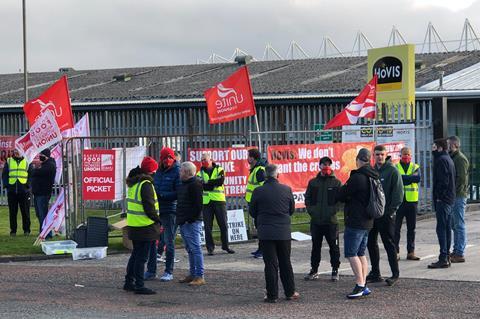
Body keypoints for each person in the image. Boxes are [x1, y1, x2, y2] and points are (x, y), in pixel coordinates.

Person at [249, 164, 299, 303]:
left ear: (265, 175)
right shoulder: (286, 189)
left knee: (270, 264)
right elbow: (291, 210)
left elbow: (252, 211)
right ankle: (290, 291)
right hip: (283, 232)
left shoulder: (258, 191)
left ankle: (272, 295)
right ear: (278, 175)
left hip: (266, 232)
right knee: (285, 262)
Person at [336, 148, 376, 299]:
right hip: (368, 220)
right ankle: (363, 284)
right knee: (361, 253)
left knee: (351, 253)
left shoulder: (358, 177)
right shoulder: (373, 175)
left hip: (356, 220)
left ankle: (359, 284)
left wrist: (343, 191)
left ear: (358, 160)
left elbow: (342, 194)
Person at [123, 156, 161, 295]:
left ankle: (129, 282)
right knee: (141, 258)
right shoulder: (146, 185)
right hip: (145, 226)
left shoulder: (134, 183)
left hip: (135, 225)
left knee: (135, 255)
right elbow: (149, 207)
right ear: (151, 171)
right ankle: (139, 285)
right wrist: (158, 220)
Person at [366, 145, 403, 286]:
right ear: (373, 156)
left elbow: (398, 194)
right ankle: (376, 272)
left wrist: (390, 212)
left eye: (382, 154)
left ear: (385, 155)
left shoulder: (392, 171)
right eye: (377, 154)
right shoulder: (371, 171)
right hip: (372, 215)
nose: (379, 157)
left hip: (386, 215)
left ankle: (395, 273)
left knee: (389, 243)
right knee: (371, 242)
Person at [145, 147, 181, 281]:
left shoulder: (177, 171)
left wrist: (163, 195)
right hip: (158, 210)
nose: (167, 160)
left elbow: (178, 193)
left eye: (170, 158)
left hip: (170, 210)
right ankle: (151, 270)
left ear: (173, 158)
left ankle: (168, 271)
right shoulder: (159, 171)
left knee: (169, 242)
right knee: (152, 241)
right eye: (165, 158)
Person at [304, 156, 341, 282]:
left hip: (331, 222)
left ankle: (335, 270)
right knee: (315, 247)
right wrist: (312, 211)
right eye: (323, 164)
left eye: (328, 164)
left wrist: (332, 211)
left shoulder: (336, 183)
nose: (326, 166)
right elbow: (307, 198)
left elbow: (340, 201)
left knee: (334, 247)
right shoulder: (313, 182)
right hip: (316, 222)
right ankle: (314, 270)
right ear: (319, 166)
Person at [197, 152, 235, 255]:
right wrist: (212, 183)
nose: (203, 161)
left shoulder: (219, 169)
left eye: (205, 159)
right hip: (206, 202)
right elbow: (201, 186)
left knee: (223, 225)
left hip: (219, 201)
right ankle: (210, 248)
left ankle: (226, 246)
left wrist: (207, 183)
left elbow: (220, 181)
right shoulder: (199, 173)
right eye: (202, 160)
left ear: (211, 160)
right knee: (208, 226)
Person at [176, 161, 205, 286]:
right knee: (190, 249)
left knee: (195, 248)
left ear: (187, 172)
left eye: (181, 171)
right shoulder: (185, 184)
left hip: (191, 222)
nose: (179, 172)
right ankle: (193, 274)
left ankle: (199, 275)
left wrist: (190, 219)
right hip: (184, 221)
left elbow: (198, 205)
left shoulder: (195, 185)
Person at [428, 138, 456, 269]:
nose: (432, 149)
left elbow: (443, 181)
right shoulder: (448, 159)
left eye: (434, 147)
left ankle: (443, 257)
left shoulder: (441, 160)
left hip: (443, 200)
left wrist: (439, 197)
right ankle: (446, 256)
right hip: (449, 199)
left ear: (439, 148)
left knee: (442, 228)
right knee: (446, 228)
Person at [394, 147, 421, 261]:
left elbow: (417, 178)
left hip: (411, 201)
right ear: (400, 155)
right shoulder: (395, 166)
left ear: (411, 155)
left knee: (411, 228)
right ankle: (395, 252)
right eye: (404, 154)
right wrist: (409, 178)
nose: (406, 156)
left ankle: (411, 252)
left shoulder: (415, 167)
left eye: (408, 154)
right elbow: (397, 179)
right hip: (399, 202)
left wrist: (402, 178)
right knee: (396, 229)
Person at [448, 136, 470, 263]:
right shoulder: (454, 157)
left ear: (455, 145)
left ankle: (459, 252)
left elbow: (461, 179)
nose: (448, 147)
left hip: (458, 196)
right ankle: (456, 250)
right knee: (454, 225)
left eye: (449, 144)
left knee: (459, 225)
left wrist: (453, 193)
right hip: (455, 196)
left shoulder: (460, 159)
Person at [2, 149, 31, 236]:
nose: (16, 153)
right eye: (15, 151)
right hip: (12, 191)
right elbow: (5, 175)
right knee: (12, 212)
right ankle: (13, 231)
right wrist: (7, 186)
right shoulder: (9, 161)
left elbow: (31, 175)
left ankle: (26, 230)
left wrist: (27, 185)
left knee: (25, 212)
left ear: (23, 152)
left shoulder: (27, 161)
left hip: (24, 191)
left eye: (18, 151)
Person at [30, 149, 56, 239]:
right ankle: (43, 232)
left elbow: (35, 172)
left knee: (43, 215)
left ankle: (46, 234)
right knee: (39, 214)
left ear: (46, 156)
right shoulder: (44, 165)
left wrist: (34, 169)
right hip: (38, 193)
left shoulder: (50, 165)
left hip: (43, 193)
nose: (39, 157)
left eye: (41, 155)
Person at [245, 148, 266, 259]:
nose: (247, 159)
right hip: (254, 203)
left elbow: (264, 187)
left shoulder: (259, 170)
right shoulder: (255, 169)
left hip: (259, 204)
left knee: (261, 227)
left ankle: (263, 250)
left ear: (253, 158)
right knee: (259, 227)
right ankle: (260, 248)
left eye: (248, 156)